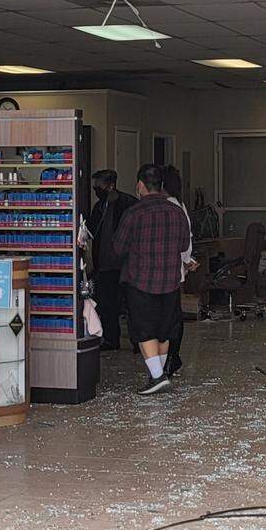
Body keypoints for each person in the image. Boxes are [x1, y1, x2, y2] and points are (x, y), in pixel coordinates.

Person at [113, 163, 190, 396]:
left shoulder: (134, 213)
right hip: (170, 281)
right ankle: (158, 374)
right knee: (164, 330)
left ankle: (157, 376)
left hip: (141, 280)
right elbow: (184, 245)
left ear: (140, 185)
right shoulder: (176, 211)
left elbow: (118, 248)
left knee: (144, 329)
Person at [89, 169, 136, 352]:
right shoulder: (99, 206)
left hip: (124, 264)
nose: (96, 189)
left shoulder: (128, 204)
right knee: (107, 304)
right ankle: (110, 339)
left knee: (130, 304)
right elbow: (93, 231)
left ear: (110, 185)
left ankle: (137, 341)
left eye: (99, 185)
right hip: (104, 264)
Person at [162, 164, 195, 378]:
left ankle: (170, 357)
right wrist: (187, 260)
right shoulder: (180, 206)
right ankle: (173, 355)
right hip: (176, 269)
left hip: (164, 269)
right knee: (174, 315)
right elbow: (187, 238)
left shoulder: (166, 206)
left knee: (167, 316)